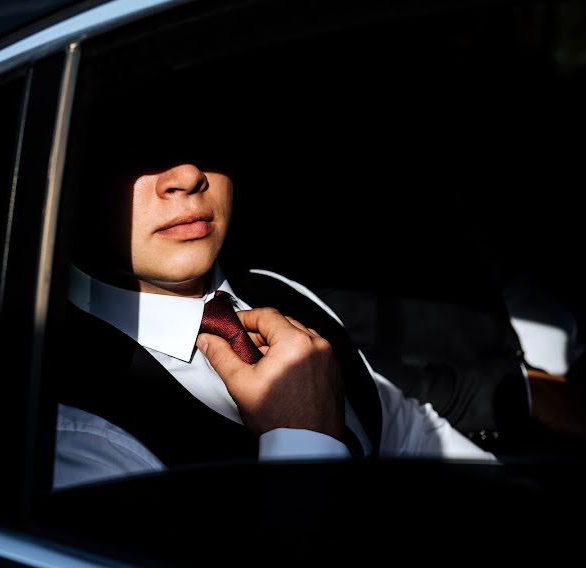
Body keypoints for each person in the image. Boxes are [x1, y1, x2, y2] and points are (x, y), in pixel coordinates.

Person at [53, 151, 500, 489]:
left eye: (203, 142)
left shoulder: (277, 290)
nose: (188, 177)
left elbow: (405, 430)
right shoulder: (70, 422)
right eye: (135, 155)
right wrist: (303, 439)